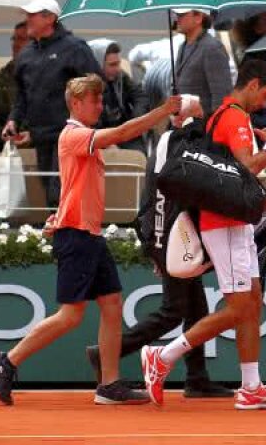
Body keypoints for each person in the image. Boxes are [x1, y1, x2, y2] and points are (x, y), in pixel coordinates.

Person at [0, 76, 181, 406]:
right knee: (71, 316)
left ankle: (109, 384)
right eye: (95, 101)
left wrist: (59, 214)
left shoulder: (78, 137)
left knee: (112, 304)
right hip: (76, 237)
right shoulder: (73, 134)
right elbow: (120, 134)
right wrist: (162, 111)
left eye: (101, 100)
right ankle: (7, 360)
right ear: (77, 104)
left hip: (88, 233)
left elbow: (74, 187)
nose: (101, 106)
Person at [140, 59, 266, 411]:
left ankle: (251, 387)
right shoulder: (236, 117)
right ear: (253, 84)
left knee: (251, 302)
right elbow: (245, 167)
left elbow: (228, 174)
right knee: (240, 306)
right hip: (224, 223)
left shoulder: (222, 116)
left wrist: (256, 195)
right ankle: (162, 356)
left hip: (233, 218)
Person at [87, 97, 232, 398]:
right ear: (185, 119)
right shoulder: (180, 142)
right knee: (173, 310)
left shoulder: (166, 142)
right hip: (172, 237)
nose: (204, 122)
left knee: (196, 308)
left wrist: (153, 244)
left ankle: (196, 378)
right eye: (199, 116)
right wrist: (160, 247)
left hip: (166, 236)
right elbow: (172, 196)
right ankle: (105, 354)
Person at [3, 0, 102, 207]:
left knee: (60, 192)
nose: (27, 19)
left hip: (69, 134)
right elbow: (22, 95)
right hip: (41, 136)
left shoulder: (75, 48)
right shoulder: (26, 54)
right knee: (50, 190)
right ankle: (62, 237)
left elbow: (96, 86)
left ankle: (70, 236)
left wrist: (89, 124)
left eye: (33, 15)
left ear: (50, 18)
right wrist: (13, 120)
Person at [88, 40, 148, 153]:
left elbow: (140, 96)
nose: (117, 68)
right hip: (100, 133)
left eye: (118, 63)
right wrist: (107, 143)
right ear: (98, 64)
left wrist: (136, 120)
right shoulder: (87, 85)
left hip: (123, 130)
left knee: (139, 156)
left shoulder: (120, 77)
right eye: (112, 65)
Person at [172, 8, 232, 114]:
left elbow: (221, 96)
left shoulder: (212, 48)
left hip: (204, 125)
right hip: (185, 124)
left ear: (198, 18)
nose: (177, 19)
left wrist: (213, 126)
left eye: (182, 15)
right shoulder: (183, 46)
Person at [0, 22, 29, 129]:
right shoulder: (6, 72)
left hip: (35, 131)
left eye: (21, 39)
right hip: (9, 128)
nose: (15, 44)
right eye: (14, 39)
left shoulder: (44, 70)